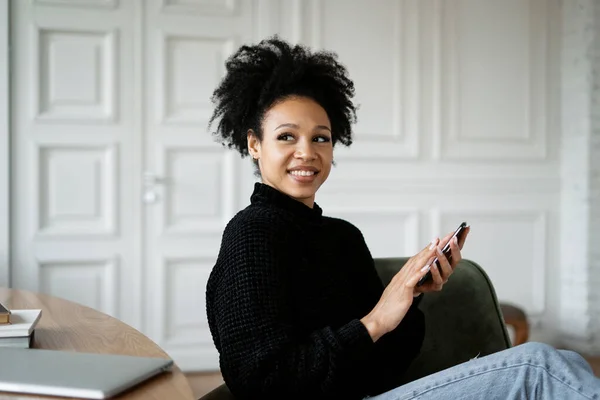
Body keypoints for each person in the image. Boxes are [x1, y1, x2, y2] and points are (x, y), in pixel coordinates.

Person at [205, 37, 600, 400]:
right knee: (539, 367)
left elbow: (390, 364)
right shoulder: (251, 235)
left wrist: (409, 297)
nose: (307, 152)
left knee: (567, 367)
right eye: (287, 136)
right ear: (254, 144)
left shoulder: (343, 237)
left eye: (320, 137)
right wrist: (374, 321)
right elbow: (262, 382)